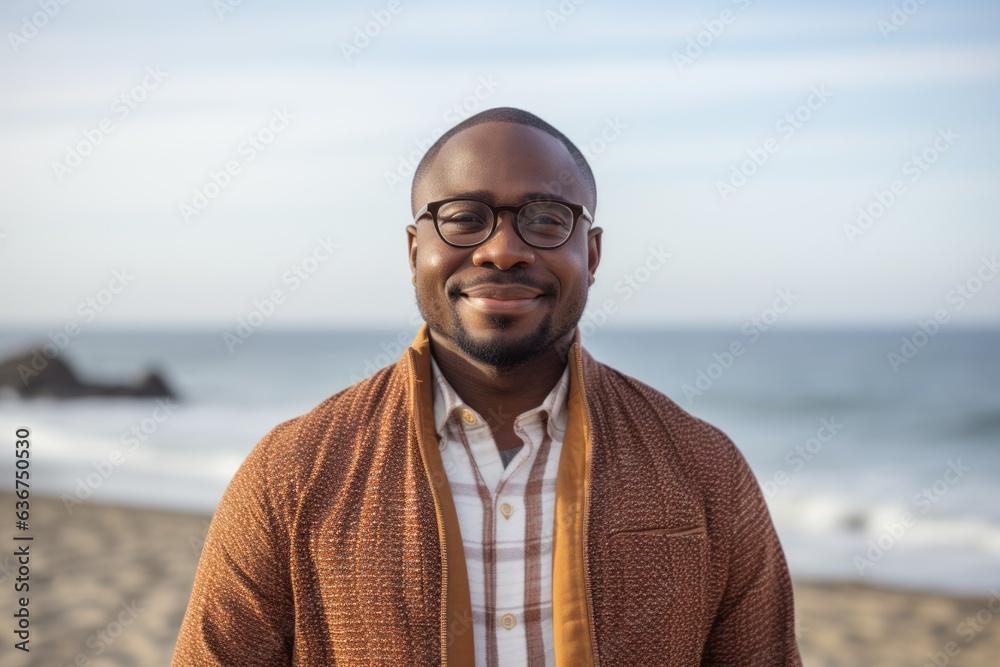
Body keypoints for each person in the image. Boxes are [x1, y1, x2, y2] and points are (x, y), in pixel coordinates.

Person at [171, 107, 802, 666]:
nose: (502, 250)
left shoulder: (702, 470)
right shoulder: (294, 474)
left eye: (547, 219)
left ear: (593, 253)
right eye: (464, 218)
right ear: (414, 249)